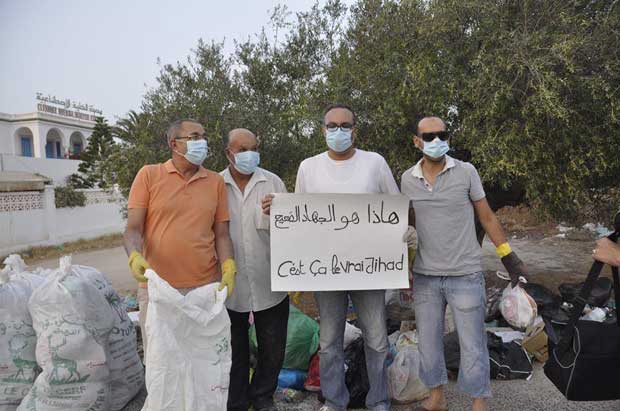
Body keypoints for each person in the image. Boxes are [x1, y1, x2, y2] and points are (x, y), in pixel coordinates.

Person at [263, 104, 399, 411]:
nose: (339, 131)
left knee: (377, 340)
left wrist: (405, 240)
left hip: (369, 269)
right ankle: (336, 401)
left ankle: (379, 401)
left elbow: (395, 209)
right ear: (323, 130)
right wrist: (280, 208)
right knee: (328, 343)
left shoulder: (374, 163)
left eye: (345, 125)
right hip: (327, 272)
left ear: (355, 130)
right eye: (332, 125)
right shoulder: (308, 167)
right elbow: (299, 216)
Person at [400, 116, 528, 411]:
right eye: (428, 136)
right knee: (429, 344)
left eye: (441, 135)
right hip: (425, 277)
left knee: (473, 345)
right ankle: (436, 398)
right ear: (416, 142)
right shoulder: (407, 179)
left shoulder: (466, 172)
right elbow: (406, 223)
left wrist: (509, 257)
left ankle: (478, 404)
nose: (436, 141)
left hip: (465, 274)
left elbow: (486, 216)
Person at [124, 119, 236, 356]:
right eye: (195, 137)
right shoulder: (149, 175)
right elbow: (133, 229)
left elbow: (222, 234)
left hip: (204, 289)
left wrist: (228, 265)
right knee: (161, 362)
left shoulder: (215, 181)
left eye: (204, 137)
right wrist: (134, 255)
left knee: (203, 361)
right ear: (174, 144)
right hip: (158, 289)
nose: (202, 142)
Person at [220, 128, 289, 411]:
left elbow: (293, 228)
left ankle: (262, 396)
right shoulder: (214, 185)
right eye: (242, 149)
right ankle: (236, 401)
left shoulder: (272, 182)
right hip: (229, 286)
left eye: (254, 147)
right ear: (228, 153)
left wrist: (281, 212)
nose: (250, 154)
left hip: (268, 280)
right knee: (233, 350)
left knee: (273, 349)